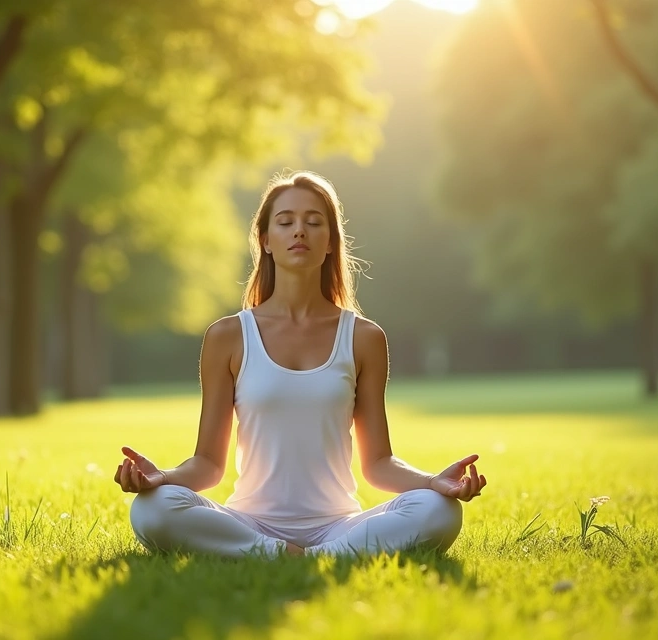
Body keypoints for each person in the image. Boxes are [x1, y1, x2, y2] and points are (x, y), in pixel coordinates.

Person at [113, 170, 486, 557]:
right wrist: (162, 478)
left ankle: (298, 555)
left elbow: (378, 463)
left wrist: (433, 483)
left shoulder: (363, 337)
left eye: (313, 222)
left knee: (439, 511)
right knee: (153, 509)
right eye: (286, 222)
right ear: (266, 241)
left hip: (340, 525)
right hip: (249, 521)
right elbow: (208, 464)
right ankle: (285, 553)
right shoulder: (228, 336)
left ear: (330, 243)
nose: (299, 232)